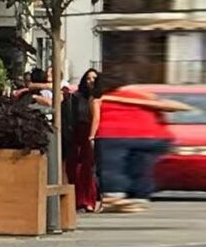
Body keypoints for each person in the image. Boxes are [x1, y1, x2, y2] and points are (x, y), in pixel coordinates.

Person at [89, 74, 190, 213]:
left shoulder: (99, 98)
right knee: (142, 166)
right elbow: (176, 107)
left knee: (112, 166)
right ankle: (140, 197)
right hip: (155, 136)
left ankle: (114, 195)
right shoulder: (138, 95)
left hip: (114, 134)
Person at [63, 69, 100, 212]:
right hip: (79, 135)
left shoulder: (100, 97)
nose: (91, 81)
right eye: (88, 78)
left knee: (88, 170)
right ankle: (79, 200)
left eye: (94, 78)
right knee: (77, 169)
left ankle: (89, 200)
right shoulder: (77, 97)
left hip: (94, 135)